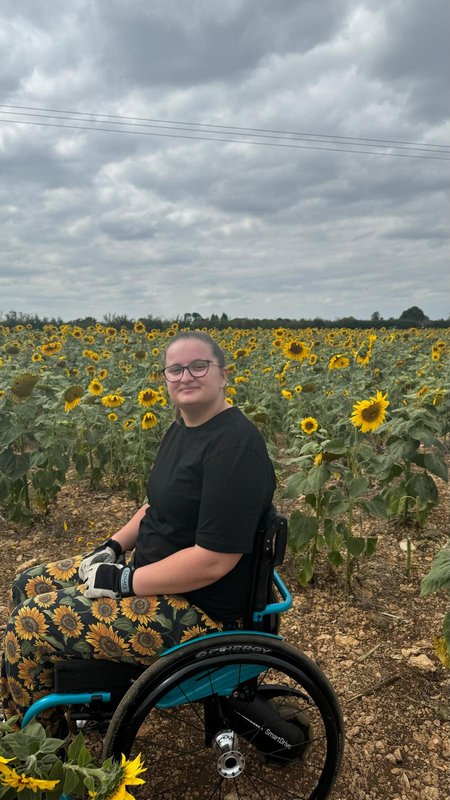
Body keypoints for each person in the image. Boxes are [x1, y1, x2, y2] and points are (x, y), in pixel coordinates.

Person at [0, 331, 276, 729]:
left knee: (30, 625)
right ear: (165, 378)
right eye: (175, 369)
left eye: (199, 366)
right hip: (155, 577)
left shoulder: (234, 450)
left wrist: (125, 580)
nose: (186, 376)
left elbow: (214, 561)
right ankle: (39, 708)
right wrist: (113, 547)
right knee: (28, 583)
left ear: (223, 375)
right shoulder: (183, 427)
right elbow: (154, 506)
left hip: (201, 613)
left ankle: (41, 750)